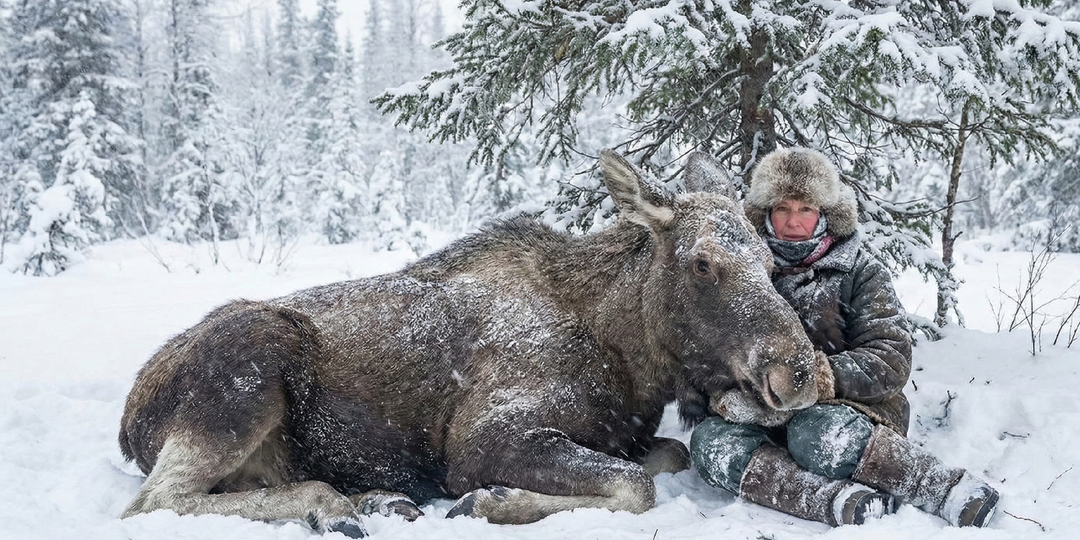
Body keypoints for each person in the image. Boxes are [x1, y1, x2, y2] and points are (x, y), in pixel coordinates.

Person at [689, 147, 999, 527]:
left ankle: (944, 488)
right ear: (766, 214)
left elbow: (890, 357)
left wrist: (817, 379)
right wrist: (728, 396)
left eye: (806, 209)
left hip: (855, 410)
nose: (793, 221)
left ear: (825, 214)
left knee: (812, 431)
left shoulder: (859, 271)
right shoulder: (742, 273)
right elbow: (713, 352)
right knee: (708, 443)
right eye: (783, 208)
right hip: (764, 411)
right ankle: (834, 501)